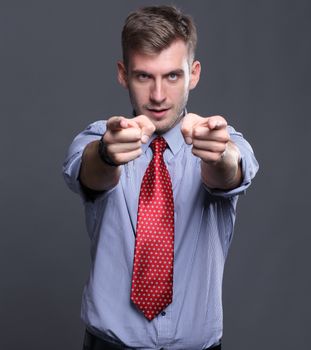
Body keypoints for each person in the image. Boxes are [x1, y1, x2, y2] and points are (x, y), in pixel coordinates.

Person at [63, 5, 258, 350]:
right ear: (123, 74)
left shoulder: (225, 140)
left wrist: (218, 152)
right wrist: (108, 154)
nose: (157, 95)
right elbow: (93, 174)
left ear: (193, 74)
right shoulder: (98, 139)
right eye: (143, 76)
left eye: (172, 76)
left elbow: (228, 173)